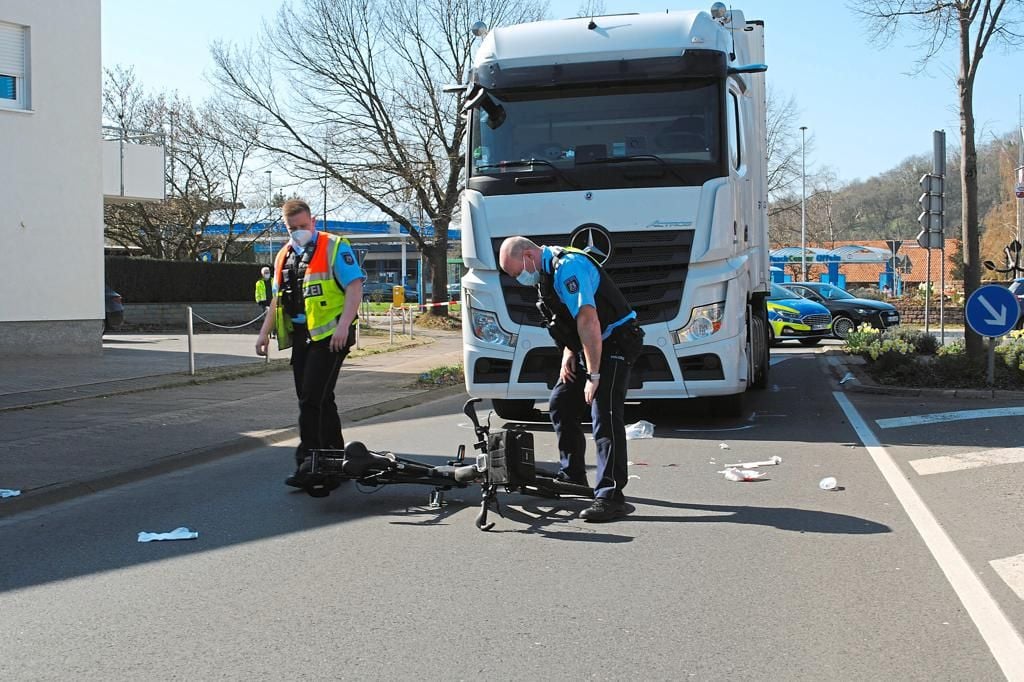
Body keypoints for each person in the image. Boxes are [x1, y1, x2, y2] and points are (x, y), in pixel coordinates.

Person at [498, 236, 645, 522]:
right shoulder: (545, 272)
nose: (519, 279)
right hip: (589, 345)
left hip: (614, 342)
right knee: (561, 402)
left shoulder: (569, 267)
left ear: (528, 255)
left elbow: (588, 319)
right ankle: (574, 476)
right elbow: (567, 318)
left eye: (517, 272)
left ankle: (611, 496)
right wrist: (569, 352)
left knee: (605, 412)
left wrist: (594, 374)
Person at [256, 199, 364, 488]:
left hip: (331, 336)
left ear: (313, 221)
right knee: (320, 399)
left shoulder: (334, 246)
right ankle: (335, 461)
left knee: (311, 400)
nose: (299, 232)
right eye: (293, 228)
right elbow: (276, 300)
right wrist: (264, 333)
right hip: (303, 337)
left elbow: (354, 288)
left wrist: (344, 326)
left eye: (303, 226)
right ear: (285, 227)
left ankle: (310, 463)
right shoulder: (284, 256)